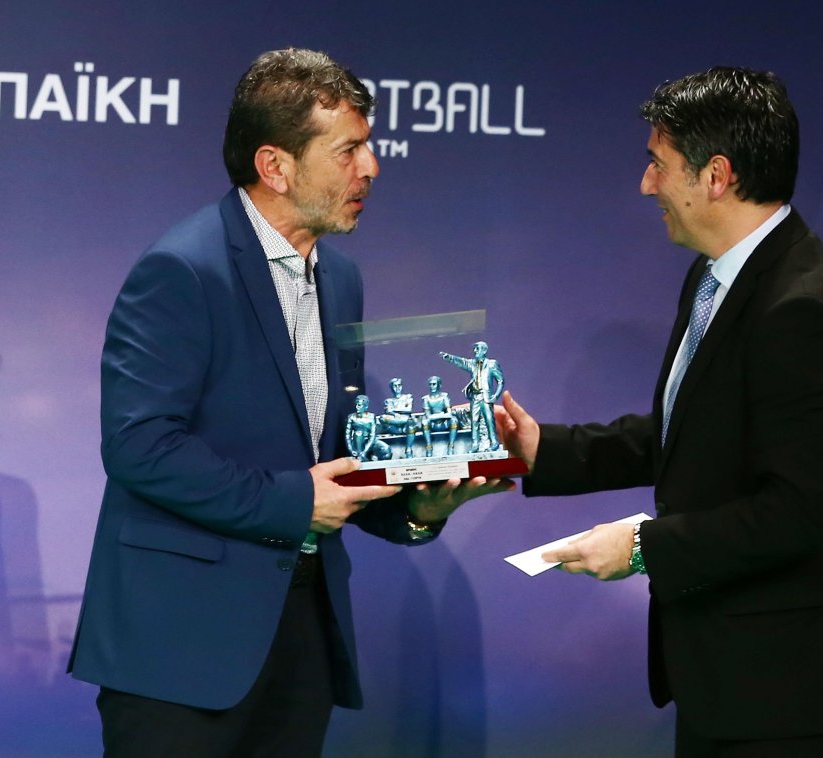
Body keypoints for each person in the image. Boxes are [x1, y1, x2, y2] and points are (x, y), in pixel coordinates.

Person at [67, 48, 509, 757]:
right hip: (182, 647)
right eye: (348, 150)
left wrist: (418, 507)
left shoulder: (340, 278)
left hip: (301, 637)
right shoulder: (182, 269)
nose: (372, 167)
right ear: (275, 165)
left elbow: (332, 458)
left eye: (368, 146)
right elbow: (139, 446)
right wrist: (295, 501)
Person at [498, 66, 823, 756]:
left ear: (716, 176)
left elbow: (804, 510)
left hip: (795, 691)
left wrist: (643, 547)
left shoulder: (801, 309)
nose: (646, 185)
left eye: (658, 165)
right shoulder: (720, 273)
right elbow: (695, 432)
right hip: (735, 679)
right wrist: (548, 449)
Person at [440, 341, 504, 453]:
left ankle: (494, 442)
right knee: (474, 421)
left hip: (486, 396)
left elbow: (500, 381)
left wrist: (496, 396)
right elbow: (461, 361)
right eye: (474, 348)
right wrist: (449, 357)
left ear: (484, 350)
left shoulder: (491, 364)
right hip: (475, 397)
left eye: (477, 348)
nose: (475, 351)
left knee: (489, 420)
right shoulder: (472, 363)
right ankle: (475, 444)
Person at [376, 377, 420, 458]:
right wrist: (396, 414)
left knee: (410, 421)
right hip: (394, 425)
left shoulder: (408, 397)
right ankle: (399, 427)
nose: (397, 388)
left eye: (399, 385)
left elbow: (408, 409)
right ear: (392, 388)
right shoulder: (389, 401)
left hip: (405, 423)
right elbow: (388, 411)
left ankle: (408, 449)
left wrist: (394, 412)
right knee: (383, 418)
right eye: (395, 386)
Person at [420, 375, 459, 457]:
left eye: (434, 384)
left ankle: (451, 446)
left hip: (444, 423)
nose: (432, 386)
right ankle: (429, 447)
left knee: (454, 421)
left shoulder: (444, 397)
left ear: (439, 385)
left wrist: (438, 416)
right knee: (424, 422)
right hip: (433, 424)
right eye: (430, 384)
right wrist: (441, 415)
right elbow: (428, 417)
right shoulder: (426, 399)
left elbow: (449, 414)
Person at [345, 395, 392, 462]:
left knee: (386, 450)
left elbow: (372, 435)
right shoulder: (351, 417)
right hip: (358, 442)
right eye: (356, 404)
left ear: (366, 407)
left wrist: (365, 450)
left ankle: (371, 459)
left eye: (359, 405)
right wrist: (351, 449)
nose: (357, 407)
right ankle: (360, 456)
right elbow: (347, 435)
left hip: (370, 442)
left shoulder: (371, 417)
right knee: (358, 433)